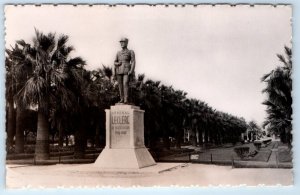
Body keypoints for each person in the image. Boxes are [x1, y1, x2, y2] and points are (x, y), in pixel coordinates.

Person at [113, 37, 135, 104]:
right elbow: (114, 62)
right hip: (119, 70)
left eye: (123, 42)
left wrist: (131, 70)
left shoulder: (130, 52)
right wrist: (117, 63)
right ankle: (121, 99)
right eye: (121, 42)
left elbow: (133, 61)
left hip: (126, 70)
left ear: (126, 43)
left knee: (125, 83)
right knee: (120, 85)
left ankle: (126, 99)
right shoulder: (118, 52)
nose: (122, 43)